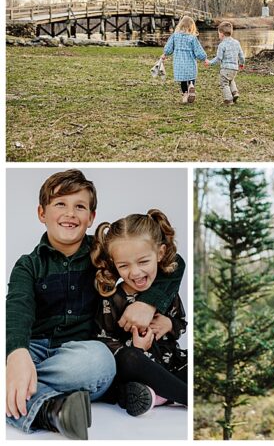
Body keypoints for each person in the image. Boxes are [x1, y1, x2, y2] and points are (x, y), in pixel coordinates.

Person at [6, 170, 184, 439]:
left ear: (91, 217)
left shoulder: (103, 255)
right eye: (60, 204)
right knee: (11, 361)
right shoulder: (28, 266)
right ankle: (53, 409)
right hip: (34, 348)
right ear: (42, 213)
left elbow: (174, 263)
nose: (70, 213)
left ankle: (21, 385)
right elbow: (17, 309)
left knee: (101, 361)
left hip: (79, 356)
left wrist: (148, 304)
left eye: (80, 206)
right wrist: (17, 355)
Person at [92, 210, 188, 416]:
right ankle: (184, 396)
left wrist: (169, 325)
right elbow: (103, 339)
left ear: (160, 254)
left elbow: (181, 323)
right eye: (124, 266)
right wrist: (135, 347)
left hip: (170, 362)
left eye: (143, 262)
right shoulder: (113, 298)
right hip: (138, 368)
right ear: (114, 264)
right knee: (129, 360)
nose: (135, 273)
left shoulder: (166, 292)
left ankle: (160, 395)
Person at [160, 16, 208, 104]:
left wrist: (165, 54)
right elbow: (198, 51)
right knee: (191, 76)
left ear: (180, 25)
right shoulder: (192, 38)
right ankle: (191, 86)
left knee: (183, 80)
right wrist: (204, 58)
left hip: (179, 64)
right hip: (190, 63)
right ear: (192, 27)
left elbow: (169, 48)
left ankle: (185, 95)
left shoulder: (175, 36)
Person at [206, 21, 245, 106]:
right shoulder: (236, 43)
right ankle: (235, 93)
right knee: (231, 80)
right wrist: (241, 63)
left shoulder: (222, 45)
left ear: (222, 34)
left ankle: (228, 100)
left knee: (224, 83)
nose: (218, 35)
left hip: (225, 68)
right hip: (235, 68)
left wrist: (210, 62)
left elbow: (219, 58)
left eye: (218, 34)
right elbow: (241, 55)